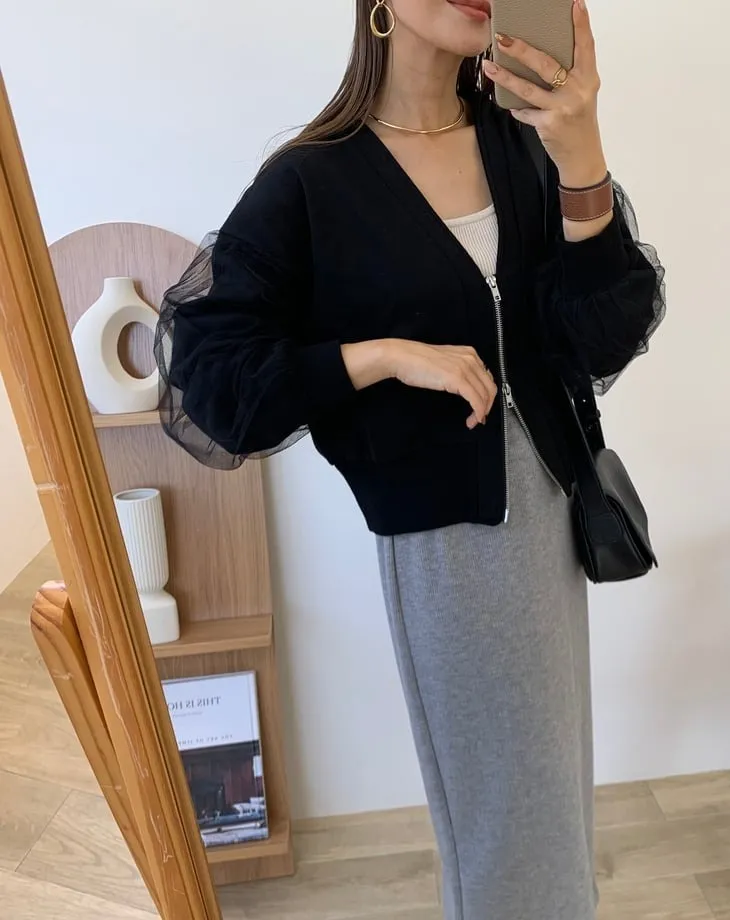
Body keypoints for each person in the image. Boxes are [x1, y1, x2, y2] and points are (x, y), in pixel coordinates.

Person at [156, 1, 665, 917]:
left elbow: (602, 336)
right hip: (449, 545)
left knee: (553, 797)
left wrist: (583, 157)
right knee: (500, 824)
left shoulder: (520, 144)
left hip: (553, 520)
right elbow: (212, 377)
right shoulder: (313, 181)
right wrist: (380, 356)